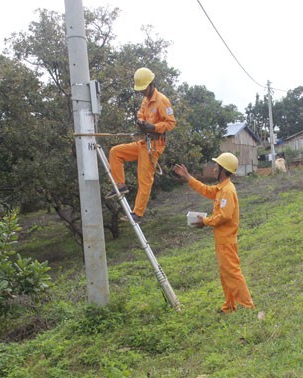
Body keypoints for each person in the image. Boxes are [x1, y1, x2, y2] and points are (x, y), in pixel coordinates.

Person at [174, 153, 256, 314]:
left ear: (223, 170)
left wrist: (204, 221)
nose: (214, 168)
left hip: (226, 241)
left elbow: (225, 216)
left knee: (232, 273)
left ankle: (247, 306)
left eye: (217, 166)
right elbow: (205, 190)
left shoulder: (227, 190)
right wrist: (188, 177)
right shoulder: (221, 188)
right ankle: (230, 305)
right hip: (222, 240)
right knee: (225, 274)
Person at [106, 67, 176, 223]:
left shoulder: (162, 100)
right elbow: (141, 114)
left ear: (151, 84)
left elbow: (171, 123)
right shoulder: (145, 100)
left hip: (154, 145)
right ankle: (120, 185)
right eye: (141, 89)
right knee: (115, 152)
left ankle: (137, 213)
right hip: (144, 142)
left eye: (144, 88)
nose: (142, 92)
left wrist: (154, 127)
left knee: (144, 179)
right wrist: (141, 122)